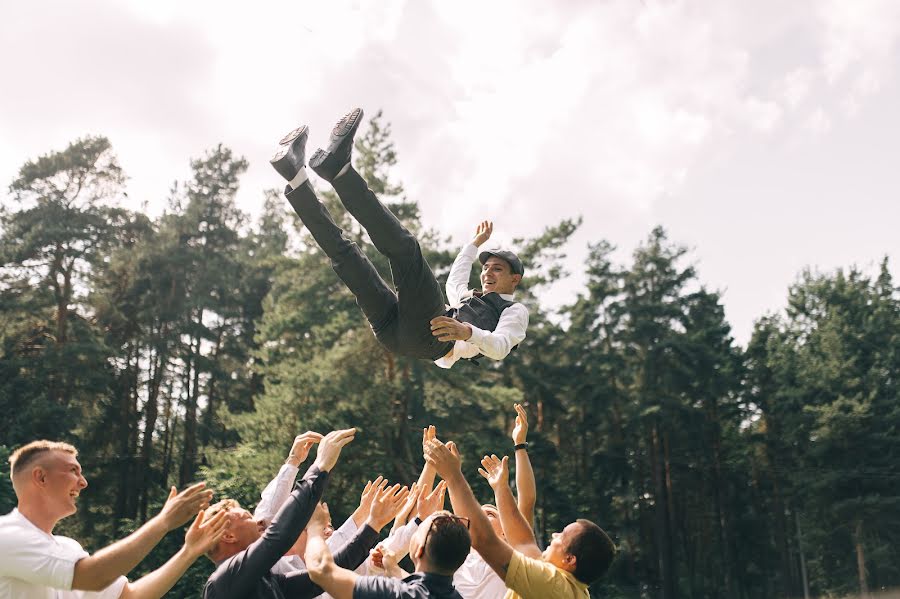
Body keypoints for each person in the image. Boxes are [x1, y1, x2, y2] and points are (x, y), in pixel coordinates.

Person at [269, 108, 528, 367]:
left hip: (430, 338)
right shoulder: (468, 298)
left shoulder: (513, 311)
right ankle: (295, 176)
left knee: (406, 250)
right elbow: (455, 280)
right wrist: (473, 245)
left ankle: (340, 171)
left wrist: (467, 333)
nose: (487, 274)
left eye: (497, 269)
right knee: (346, 257)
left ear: (514, 279)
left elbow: (501, 346)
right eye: (485, 268)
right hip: (394, 333)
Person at [0, 439, 225, 598]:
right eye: (73, 471)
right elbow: (93, 576)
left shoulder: (67, 549)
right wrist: (163, 521)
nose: (83, 482)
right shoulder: (7, 537)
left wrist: (188, 552)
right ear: (40, 477)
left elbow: (131, 596)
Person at [202, 428, 410, 599]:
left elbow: (327, 571)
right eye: (247, 517)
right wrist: (320, 466)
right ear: (228, 536)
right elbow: (278, 534)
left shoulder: (268, 581)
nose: (257, 522)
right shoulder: (224, 582)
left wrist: (373, 524)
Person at [424, 438, 616, 599]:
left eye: (562, 536)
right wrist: (501, 489)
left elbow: (483, 539)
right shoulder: (558, 582)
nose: (554, 535)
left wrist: (453, 476)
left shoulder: (554, 588)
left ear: (570, 559)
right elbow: (523, 541)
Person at [305, 509, 471, 599]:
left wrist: (314, 527)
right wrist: (392, 568)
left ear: (419, 549)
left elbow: (322, 572)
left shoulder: (392, 593)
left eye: (417, 531)